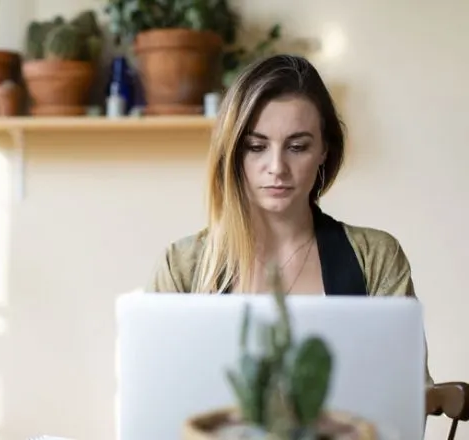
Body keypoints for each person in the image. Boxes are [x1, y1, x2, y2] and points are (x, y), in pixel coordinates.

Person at [146, 54, 433, 386]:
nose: (277, 167)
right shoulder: (182, 265)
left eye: (297, 147)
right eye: (256, 147)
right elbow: (154, 393)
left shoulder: (375, 257)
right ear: (232, 152)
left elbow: (409, 396)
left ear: (325, 149)